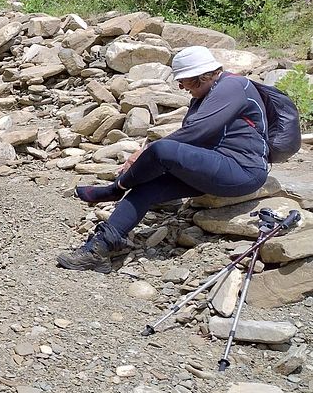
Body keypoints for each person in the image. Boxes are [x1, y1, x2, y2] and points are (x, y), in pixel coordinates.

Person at [57, 46, 271, 273]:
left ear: (200, 77)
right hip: (214, 165)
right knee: (147, 188)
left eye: (183, 81)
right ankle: (98, 251)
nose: (180, 87)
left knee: (162, 150)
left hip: (243, 170)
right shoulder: (204, 96)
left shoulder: (233, 86)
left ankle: (115, 189)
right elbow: (193, 139)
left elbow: (196, 132)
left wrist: (146, 152)